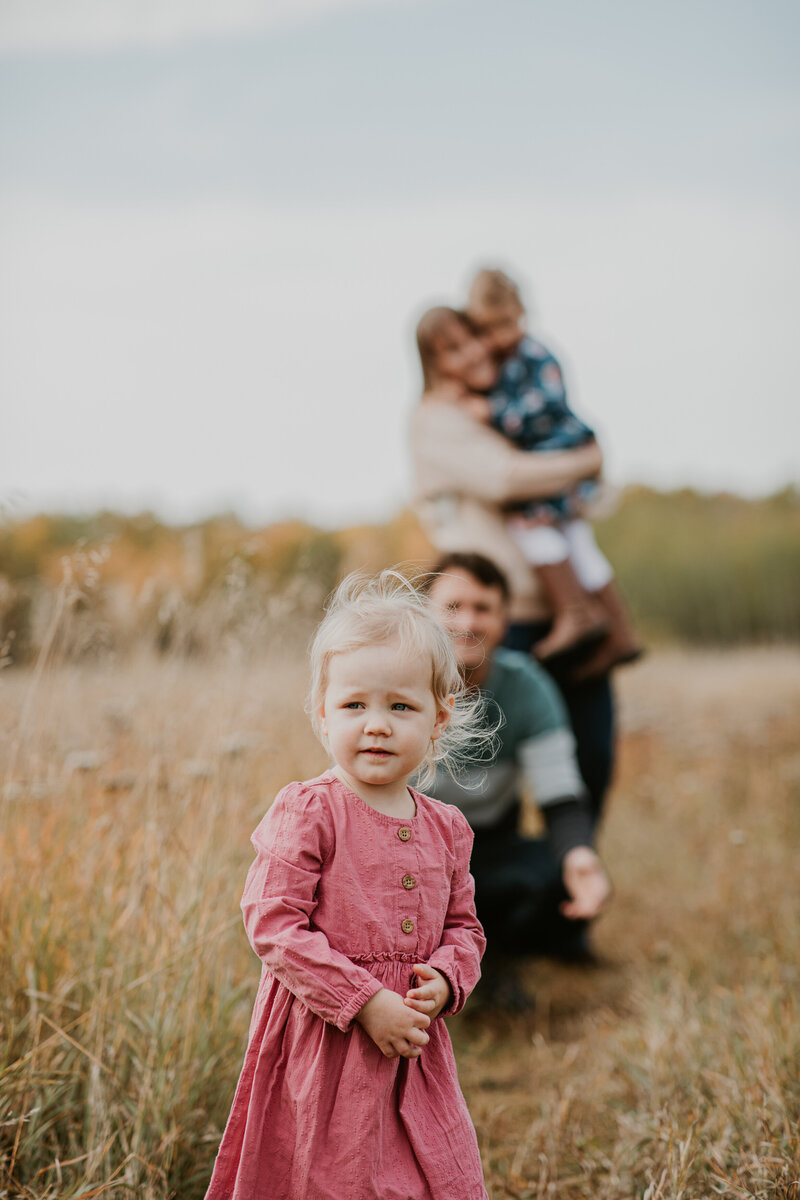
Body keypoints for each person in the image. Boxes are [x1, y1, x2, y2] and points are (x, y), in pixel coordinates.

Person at [205, 571, 489, 1200]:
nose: (377, 725)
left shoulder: (447, 827)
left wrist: (445, 979)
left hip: (413, 1049)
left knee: (424, 1175)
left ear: (439, 718)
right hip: (326, 1040)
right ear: (321, 712)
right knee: (329, 1176)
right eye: (355, 705)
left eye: (401, 706)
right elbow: (273, 924)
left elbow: (464, 928)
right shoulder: (309, 810)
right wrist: (362, 1001)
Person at [411, 304, 614, 817]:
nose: (477, 351)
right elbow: (504, 477)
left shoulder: (501, 403)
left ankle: (575, 873)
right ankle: (481, 885)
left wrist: (574, 474)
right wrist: (585, 459)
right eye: (456, 346)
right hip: (503, 617)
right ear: (432, 359)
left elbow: (588, 496)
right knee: (489, 770)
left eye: (476, 338)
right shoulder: (435, 419)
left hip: (567, 609)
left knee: (591, 757)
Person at [425, 552, 611, 988]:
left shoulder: (528, 686)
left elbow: (560, 795)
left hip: (490, 847)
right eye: (453, 606)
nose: (468, 622)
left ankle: (495, 957)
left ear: (505, 621)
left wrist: (579, 856)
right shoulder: (398, 682)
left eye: (483, 608)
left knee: (563, 877)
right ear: (424, 616)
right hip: (412, 853)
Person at [465, 268, 643, 675]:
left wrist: (491, 411)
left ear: (522, 314)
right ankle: (619, 630)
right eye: (488, 329)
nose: (499, 337)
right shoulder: (505, 358)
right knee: (577, 539)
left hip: (557, 453)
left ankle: (576, 613)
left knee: (530, 527)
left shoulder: (535, 356)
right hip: (555, 462)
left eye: (506, 324)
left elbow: (538, 409)